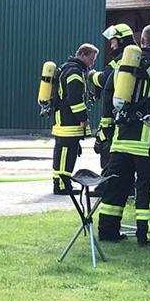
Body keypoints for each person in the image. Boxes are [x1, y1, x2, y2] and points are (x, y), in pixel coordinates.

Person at [97, 25, 150, 245]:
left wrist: (106, 132)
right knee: (146, 188)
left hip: (120, 140)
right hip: (147, 143)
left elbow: (108, 102)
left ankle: (107, 231)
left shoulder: (122, 67)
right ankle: (149, 235)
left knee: (115, 187)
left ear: (141, 40)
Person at [51, 43, 98, 194]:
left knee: (64, 152)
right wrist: (83, 118)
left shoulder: (68, 68)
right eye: (92, 58)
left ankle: (61, 184)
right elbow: (75, 99)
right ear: (83, 55)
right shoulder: (74, 73)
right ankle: (62, 186)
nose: (92, 62)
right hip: (68, 121)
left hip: (63, 119)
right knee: (66, 153)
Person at [91, 24, 135, 169]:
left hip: (115, 113)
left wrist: (91, 76)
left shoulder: (118, 60)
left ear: (121, 40)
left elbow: (104, 80)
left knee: (110, 154)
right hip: (132, 115)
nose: (111, 44)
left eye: (113, 40)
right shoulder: (135, 57)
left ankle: (107, 185)